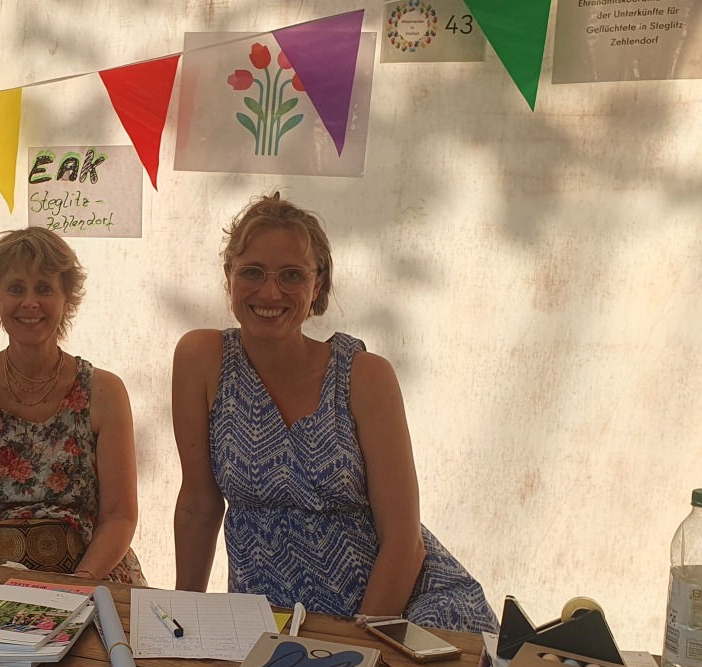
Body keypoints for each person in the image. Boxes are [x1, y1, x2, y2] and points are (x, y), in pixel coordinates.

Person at [171, 192, 496, 632]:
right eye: (252, 272)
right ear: (228, 277)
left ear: (317, 285)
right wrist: (179, 628)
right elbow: (197, 506)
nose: (270, 292)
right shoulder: (202, 357)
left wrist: (353, 647)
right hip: (272, 624)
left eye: (291, 275)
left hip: (404, 614)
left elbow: (405, 541)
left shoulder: (365, 376)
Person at [0, 227, 145, 583]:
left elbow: (120, 516)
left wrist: (80, 584)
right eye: (16, 288)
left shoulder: (104, 392)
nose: (30, 302)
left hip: (93, 578)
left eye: (44, 288)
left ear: (67, 299)